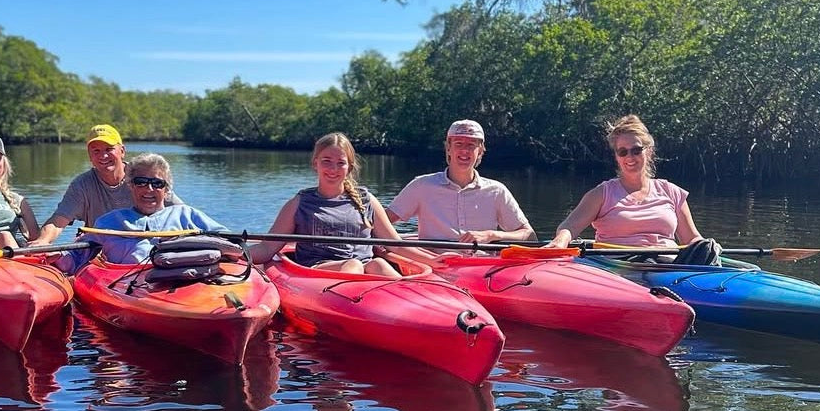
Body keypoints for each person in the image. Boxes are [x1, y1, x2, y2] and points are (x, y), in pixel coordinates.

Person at [551, 114, 720, 262]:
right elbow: (570, 226)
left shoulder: (672, 192)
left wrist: (707, 248)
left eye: (636, 150)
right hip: (618, 267)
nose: (630, 157)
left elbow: (691, 239)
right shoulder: (601, 194)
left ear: (649, 151)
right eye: (622, 152)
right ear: (616, 156)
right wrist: (560, 241)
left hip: (668, 267)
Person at [249, 132, 408, 275]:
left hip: (364, 267)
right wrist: (232, 253)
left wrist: (432, 261)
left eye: (340, 163)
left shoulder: (367, 200)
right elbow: (267, 248)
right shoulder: (299, 203)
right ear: (315, 163)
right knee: (353, 266)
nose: (333, 169)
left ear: (349, 167)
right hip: (318, 270)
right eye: (327, 161)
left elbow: (396, 245)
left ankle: (409, 300)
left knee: (379, 264)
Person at [385, 119, 536, 247]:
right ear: (448, 148)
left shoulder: (497, 191)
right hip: (434, 268)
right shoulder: (421, 186)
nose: (464, 151)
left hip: (483, 268)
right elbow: (381, 223)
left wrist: (491, 235)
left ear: (481, 150)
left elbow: (529, 236)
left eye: (471, 145)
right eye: (459, 144)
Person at [93, 153, 227, 265]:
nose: (149, 189)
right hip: (122, 286)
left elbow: (231, 242)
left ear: (167, 189)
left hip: (182, 283)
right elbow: (76, 255)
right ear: (130, 185)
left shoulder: (186, 215)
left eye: (157, 183)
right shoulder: (108, 222)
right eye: (141, 182)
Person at [35, 124, 135, 245]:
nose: (103, 156)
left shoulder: (143, 178)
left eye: (109, 149)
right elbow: (58, 221)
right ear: (90, 156)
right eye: (96, 151)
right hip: (99, 250)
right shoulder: (81, 185)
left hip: (139, 246)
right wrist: (42, 240)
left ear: (122, 151)